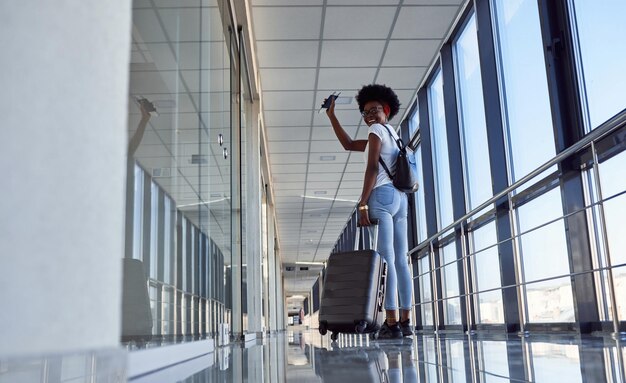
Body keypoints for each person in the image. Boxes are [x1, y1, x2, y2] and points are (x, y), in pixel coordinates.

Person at [324, 84, 413, 339]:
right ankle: (405, 321)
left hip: (383, 196)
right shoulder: (391, 133)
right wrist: (332, 116)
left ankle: (392, 322)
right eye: (365, 113)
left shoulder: (376, 130)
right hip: (401, 199)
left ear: (386, 110)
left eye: (374, 110)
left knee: (386, 260)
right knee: (400, 259)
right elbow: (349, 144)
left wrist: (362, 203)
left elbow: (372, 168)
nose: (370, 116)